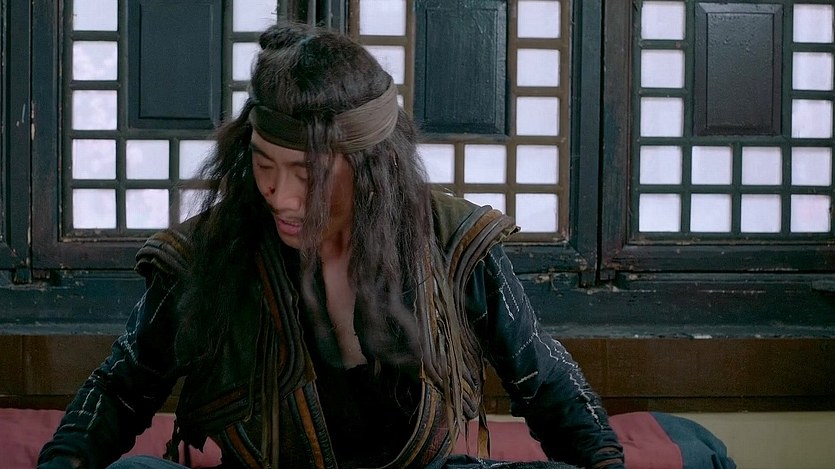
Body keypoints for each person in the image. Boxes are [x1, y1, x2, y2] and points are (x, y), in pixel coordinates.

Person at [38, 22, 625, 469]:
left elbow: (545, 383)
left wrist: (603, 462)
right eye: (264, 165)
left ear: (372, 170)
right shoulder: (207, 253)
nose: (281, 196)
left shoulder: (452, 239)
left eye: (309, 174)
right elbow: (120, 388)